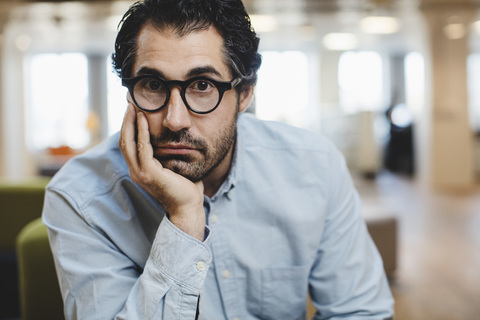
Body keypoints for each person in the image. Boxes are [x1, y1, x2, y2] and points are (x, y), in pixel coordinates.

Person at [42, 0, 395, 319]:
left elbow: (361, 312)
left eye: (202, 85)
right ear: (130, 94)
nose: (175, 119)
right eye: (152, 84)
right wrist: (184, 219)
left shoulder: (314, 167)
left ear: (244, 93)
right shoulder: (79, 197)